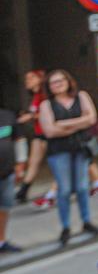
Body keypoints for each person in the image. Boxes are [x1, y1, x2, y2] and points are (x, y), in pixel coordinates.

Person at [38, 69, 98, 246]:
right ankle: (65, 227)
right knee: (63, 190)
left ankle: (86, 221)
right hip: (59, 151)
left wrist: (63, 125)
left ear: (69, 81)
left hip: (80, 148)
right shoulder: (46, 105)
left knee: (81, 187)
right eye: (54, 83)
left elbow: (92, 119)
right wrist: (79, 123)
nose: (58, 84)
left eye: (61, 81)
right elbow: (49, 131)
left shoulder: (81, 96)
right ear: (49, 87)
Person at [14, 70, 47, 205]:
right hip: (38, 133)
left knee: (55, 161)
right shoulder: (35, 96)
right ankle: (23, 191)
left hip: (48, 133)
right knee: (33, 162)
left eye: (31, 78)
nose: (27, 81)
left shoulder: (44, 95)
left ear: (40, 79)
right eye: (26, 79)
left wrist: (30, 116)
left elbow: (48, 113)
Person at [0, 106, 20, 253]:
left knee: (4, 208)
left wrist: (21, 164)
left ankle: (1, 241)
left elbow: (18, 140)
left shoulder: (7, 115)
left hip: (7, 172)